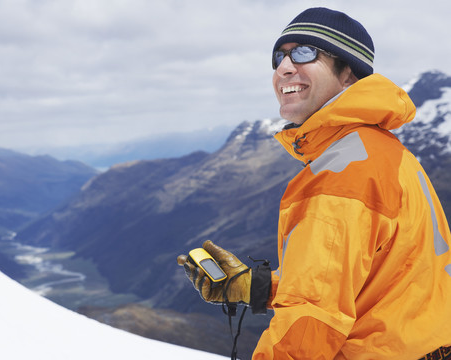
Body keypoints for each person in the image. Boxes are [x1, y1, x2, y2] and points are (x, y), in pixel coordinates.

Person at [177, 7, 451, 359]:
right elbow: (370, 281)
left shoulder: (341, 175)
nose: (284, 67)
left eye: (305, 53)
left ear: (349, 74)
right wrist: (255, 286)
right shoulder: (384, 152)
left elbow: (308, 329)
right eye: (279, 56)